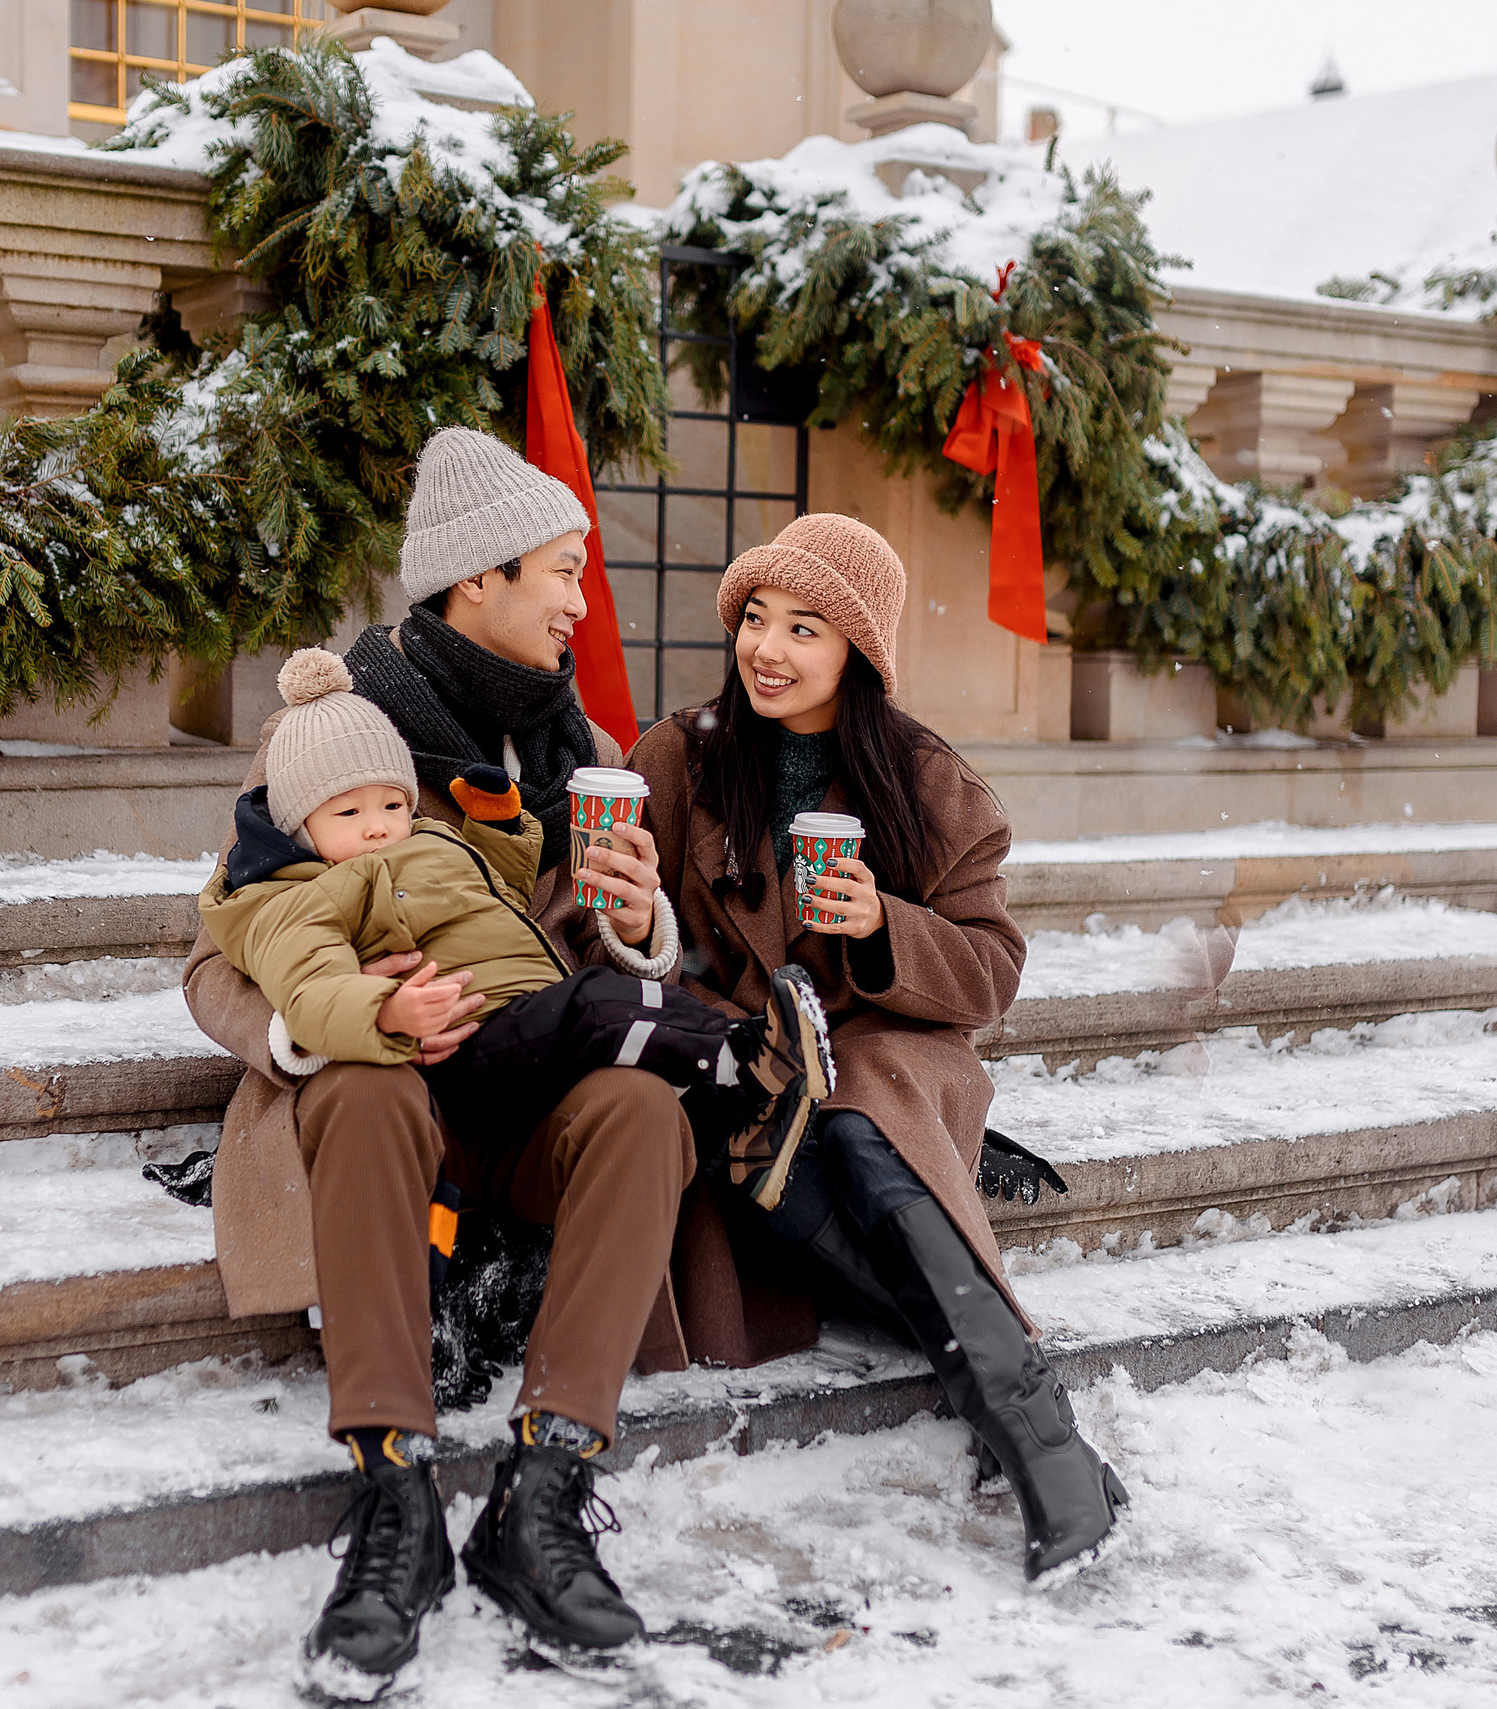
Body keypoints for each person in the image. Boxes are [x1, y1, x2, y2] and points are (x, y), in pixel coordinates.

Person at [180, 427, 700, 1686]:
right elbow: (212, 959)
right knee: (362, 1089)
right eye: (562, 572)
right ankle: (392, 1493)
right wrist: (334, 1013)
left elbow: (576, 961)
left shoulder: (573, 755)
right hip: (385, 1095)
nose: (584, 600)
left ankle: (545, 1486)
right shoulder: (334, 734)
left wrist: (631, 924)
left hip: (525, 1081)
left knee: (640, 1106)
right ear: (478, 579)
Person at [616, 512, 1129, 1582]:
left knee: (855, 1116)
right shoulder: (677, 757)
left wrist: (882, 925)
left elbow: (990, 969)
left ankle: (1036, 1443)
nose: (767, 646)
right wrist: (634, 925)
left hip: (888, 1057)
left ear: (858, 651)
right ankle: (1037, 1419)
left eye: (805, 627)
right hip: (744, 1071)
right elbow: (587, 933)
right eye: (755, 617)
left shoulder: (927, 782)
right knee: (780, 1138)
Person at [196, 647, 830, 1191]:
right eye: (560, 570)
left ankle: (742, 1076)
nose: (376, 824)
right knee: (598, 1007)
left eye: (393, 803)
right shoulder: (304, 885)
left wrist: (499, 830)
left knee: (617, 1019)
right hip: (470, 1044)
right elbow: (302, 984)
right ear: (479, 575)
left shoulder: (561, 762)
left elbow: (492, 895)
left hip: (523, 1014)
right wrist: (380, 1013)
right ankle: (744, 1062)